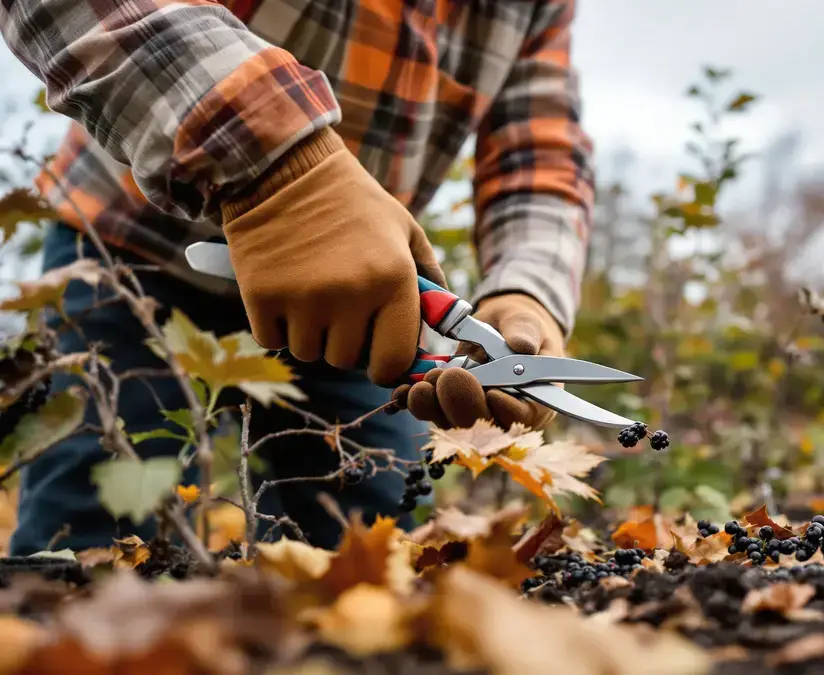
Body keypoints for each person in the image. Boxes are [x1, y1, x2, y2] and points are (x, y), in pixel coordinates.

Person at [0, 0, 593, 554]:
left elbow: (538, 155)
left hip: (353, 303)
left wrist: (527, 293)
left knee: (376, 545)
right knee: (92, 539)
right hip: (132, 248)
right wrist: (282, 174)